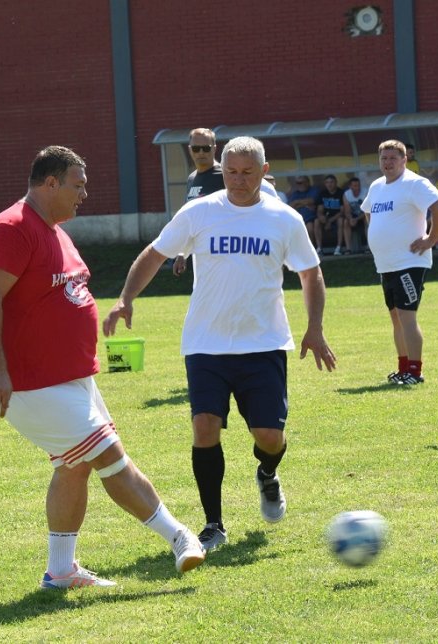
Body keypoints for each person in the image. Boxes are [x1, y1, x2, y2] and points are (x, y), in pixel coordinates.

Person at [0, 145, 204, 589]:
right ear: (50, 183)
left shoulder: (56, 230)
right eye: (77, 185)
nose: (84, 194)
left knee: (73, 466)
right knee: (110, 458)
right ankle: (180, 537)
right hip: (30, 383)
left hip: (71, 378)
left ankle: (61, 571)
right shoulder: (11, 228)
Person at [103, 136, 337, 552]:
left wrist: (314, 328)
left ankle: (267, 473)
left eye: (248, 172)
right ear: (221, 170)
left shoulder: (284, 219)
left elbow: (310, 273)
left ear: (264, 172)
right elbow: (156, 253)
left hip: (263, 344)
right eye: (231, 171)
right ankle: (213, 524)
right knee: (204, 428)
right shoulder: (199, 213)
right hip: (206, 344)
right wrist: (126, 298)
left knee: (269, 437)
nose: (238, 180)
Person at [361, 140, 438, 385]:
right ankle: (402, 367)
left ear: (404, 160)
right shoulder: (378, 186)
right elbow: (368, 211)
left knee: (406, 316)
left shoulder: (414, 183)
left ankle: (415, 371)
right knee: (395, 317)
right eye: (383, 158)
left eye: (393, 158)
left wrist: (431, 239)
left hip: (409, 262)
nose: (387, 163)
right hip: (386, 263)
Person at [173, 128, 278, 276]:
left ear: (214, 148)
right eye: (196, 148)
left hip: (234, 251)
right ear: (190, 150)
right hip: (206, 255)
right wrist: (182, 253)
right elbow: (191, 221)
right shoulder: (192, 179)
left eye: (206, 148)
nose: (201, 153)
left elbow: (264, 191)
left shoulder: (227, 174)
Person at [313, 174, 345, 255]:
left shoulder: (341, 193)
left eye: (331, 182)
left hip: (337, 216)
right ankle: (319, 248)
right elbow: (320, 209)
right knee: (316, 221)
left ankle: (338, 248)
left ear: (336, 183)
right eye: (327, 182)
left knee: (341, 221)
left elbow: (342, 211)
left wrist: (329, 221)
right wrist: (320, 216)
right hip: (326, 217)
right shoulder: (323, 193)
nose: (329, 184)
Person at [287, 176, 319, 244]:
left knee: (309, 228)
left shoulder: (313, 190)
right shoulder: (295, 193)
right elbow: (291, 206)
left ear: (307, 183)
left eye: (300, 183)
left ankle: (311, 249)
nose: (298, 185)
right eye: (297, 183)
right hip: (297, 220)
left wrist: (297, 203)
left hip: (310, 219)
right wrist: (304, 204)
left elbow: (311, 200)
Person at [342, 176, 367, 253]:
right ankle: (348, 249)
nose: (357, 187)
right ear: (350, 186)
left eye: (358, 185)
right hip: (353, 216)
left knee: (368, 220)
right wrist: (351, 219)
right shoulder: (346, 194)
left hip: (363, 215)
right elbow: (347, 210)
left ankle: (369, 247)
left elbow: (367, 211)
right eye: (355, 186)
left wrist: (357, 219)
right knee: (346, 222)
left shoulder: (365, 192)